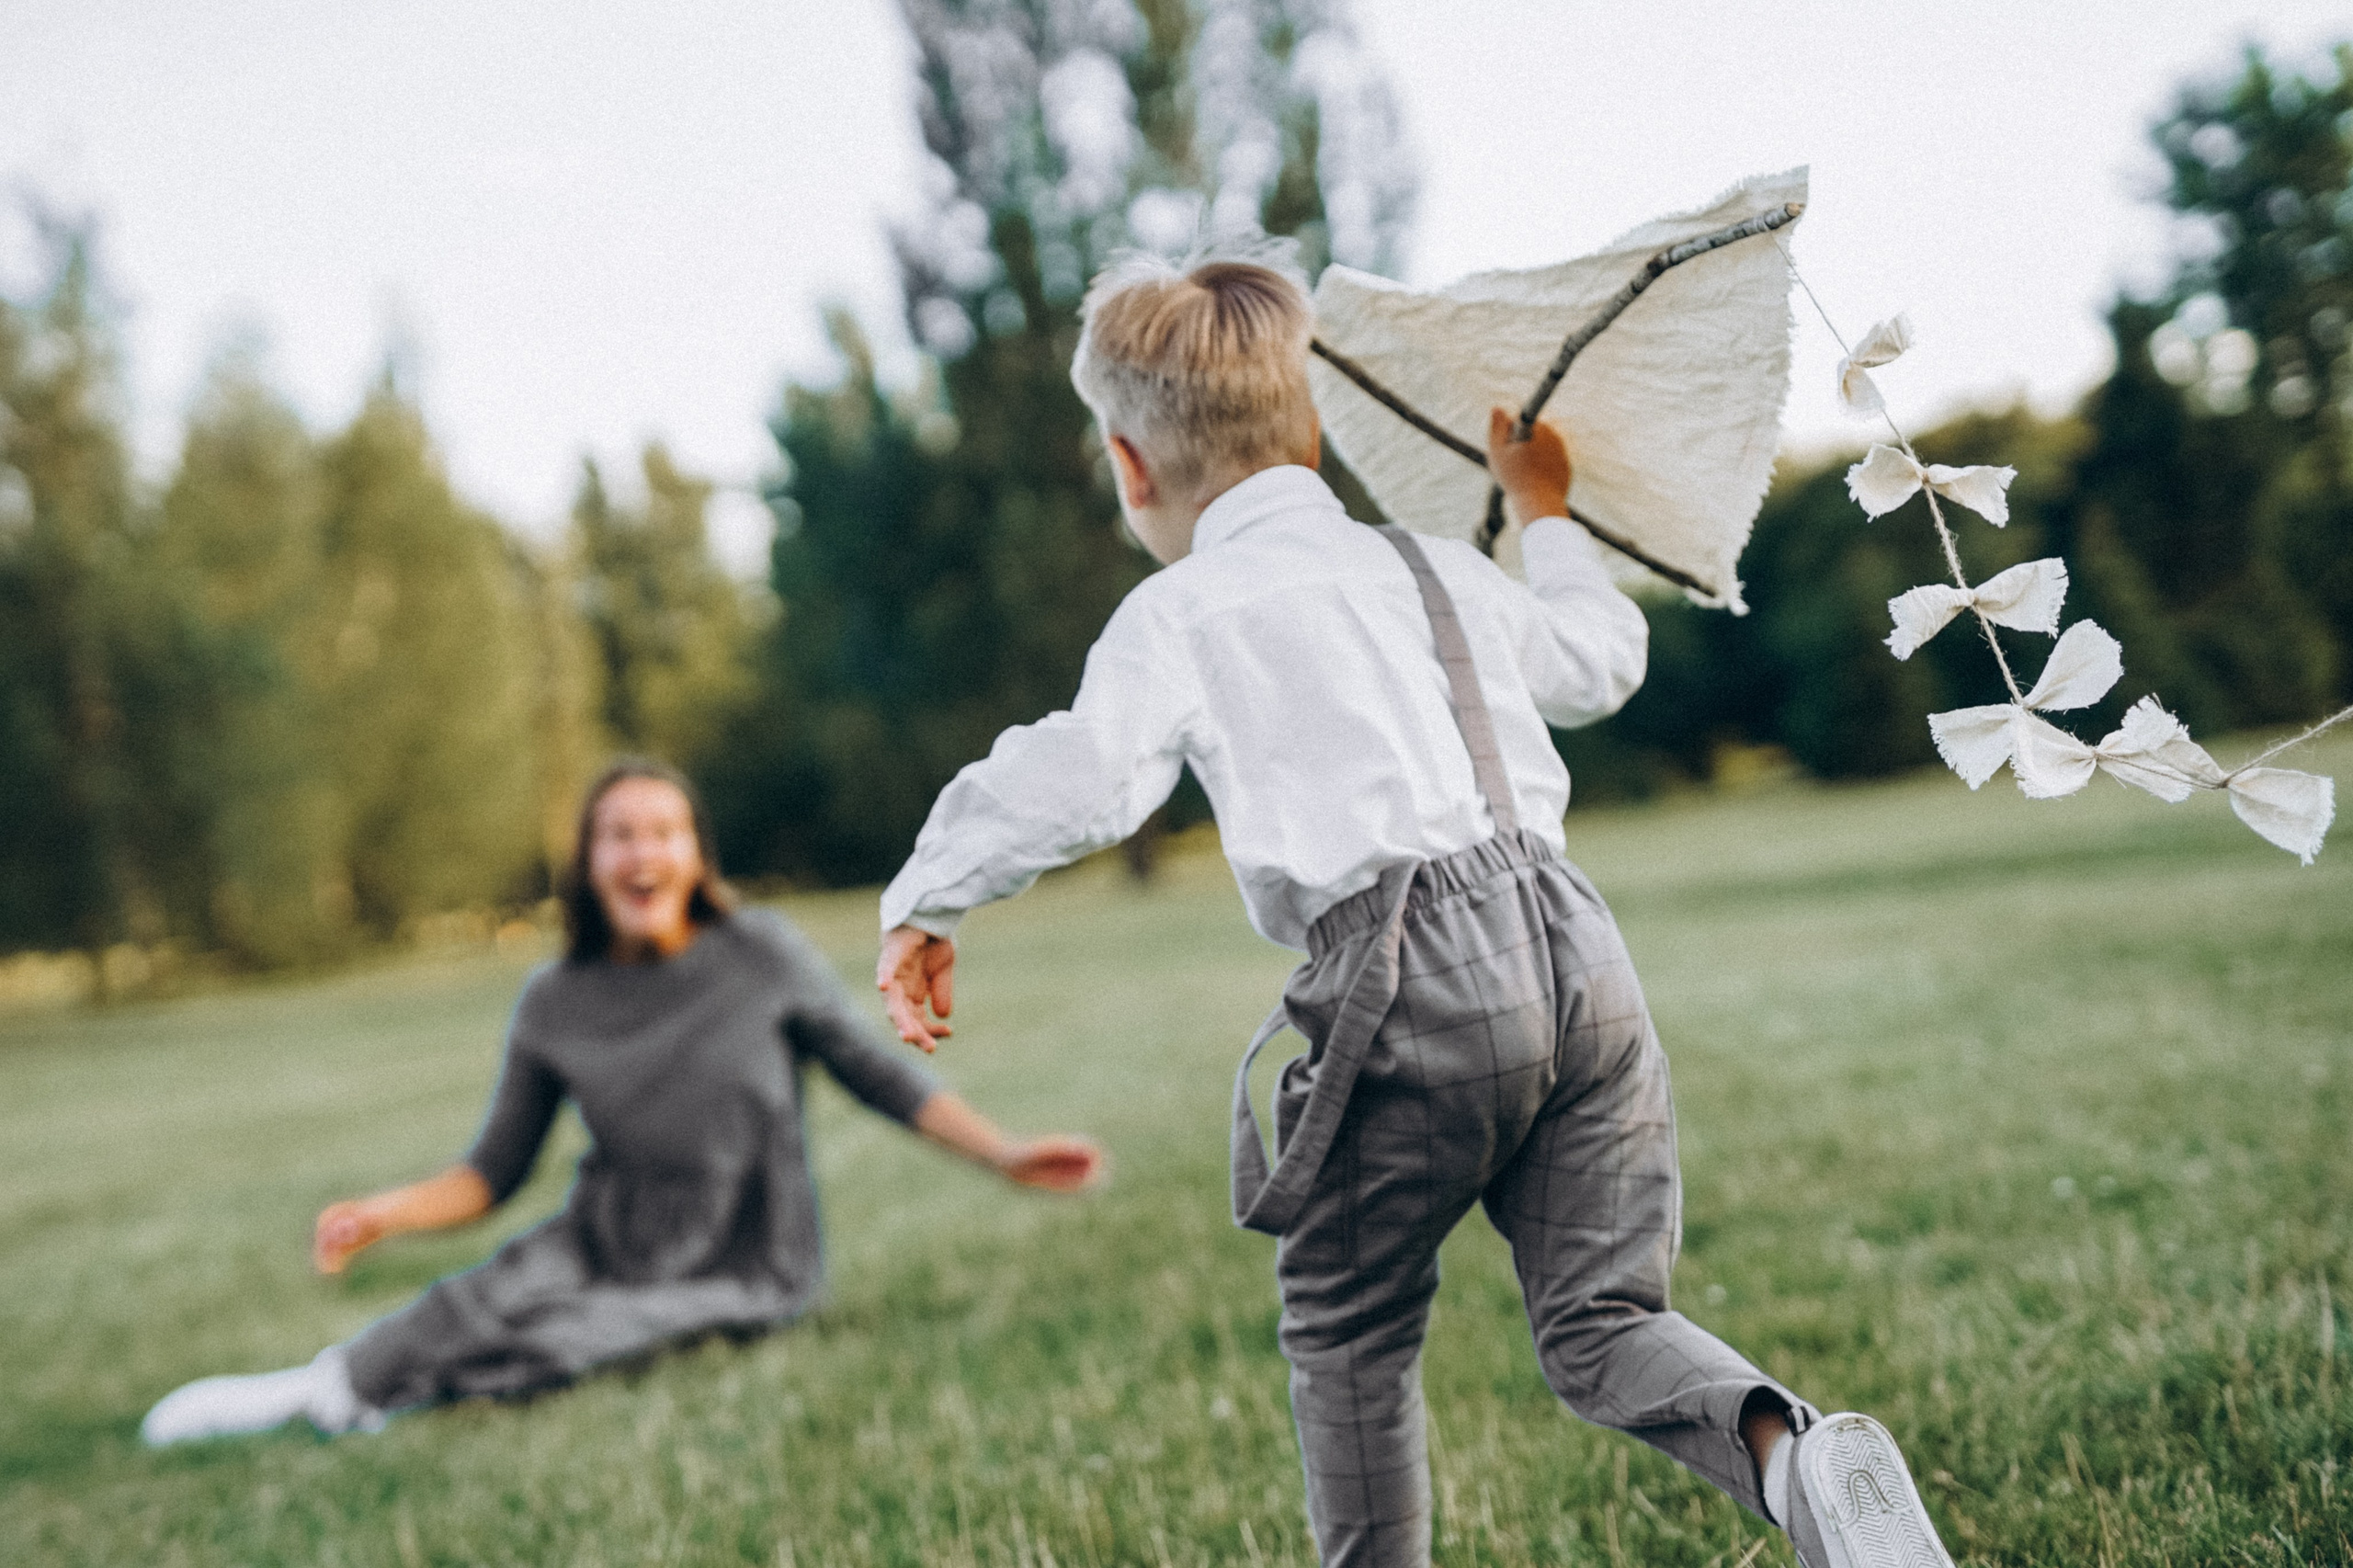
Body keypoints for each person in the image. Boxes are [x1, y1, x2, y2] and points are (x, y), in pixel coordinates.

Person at [874, 244, 1955, 1568]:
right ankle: (1797, 1465)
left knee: (1348, 1326)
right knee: (1605, 1318)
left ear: (1129, 464)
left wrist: (932, 891)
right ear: (1315, 429)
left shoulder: (1185, 609)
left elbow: (1085, 775)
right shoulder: (1439, 568)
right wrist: (1540, 509)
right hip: (1581, 947)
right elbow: (1603, 660)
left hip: (1404, 980)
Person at [142, 757, 1102, 1446]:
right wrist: (380, 1213)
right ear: (590, 864)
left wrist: (1006, 1154)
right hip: (600, 1232)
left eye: (662, 830)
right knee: (465, 1304)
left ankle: (392, 1406)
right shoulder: (555, 999)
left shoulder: (761, 955)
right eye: (619, 833)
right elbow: (493, 1171)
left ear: (695, 854)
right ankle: (322, 1387)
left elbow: (880, 1075)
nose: (641, 850)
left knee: (564, 1339)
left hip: (743, 1254)